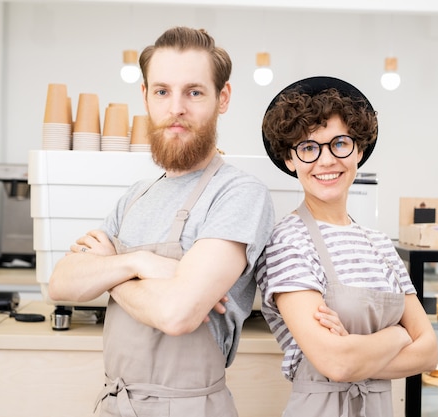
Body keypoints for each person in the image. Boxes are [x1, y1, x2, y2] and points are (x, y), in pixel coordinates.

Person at [48, 26, 274, 417]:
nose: (176, 109)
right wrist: (139, 264)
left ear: (223, 98)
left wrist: (110, 272)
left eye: (194, 92)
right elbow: (61, 283)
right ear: (146, 98)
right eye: (162, 91)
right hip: (115, 404)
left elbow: (178, 314)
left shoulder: (238, 194)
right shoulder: (135, 196)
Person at [257, 76, 438, 417]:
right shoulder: (287, 241)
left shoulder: (381, 244)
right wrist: (397, 336)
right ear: (290, 160)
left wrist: (357, 352)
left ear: (359, 150)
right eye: (308, 148)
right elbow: (335, 363)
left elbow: (429, 352)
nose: (326, 161)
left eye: (339, 143)